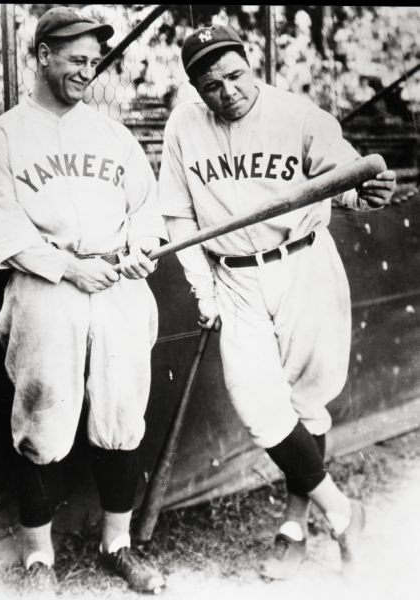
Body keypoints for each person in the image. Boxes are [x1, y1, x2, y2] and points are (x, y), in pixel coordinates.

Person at [158, 24, 396, 581]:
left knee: (308, 403)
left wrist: (365, 194)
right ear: (196, 88)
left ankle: (295, 526)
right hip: (235, 277)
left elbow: (346, 175)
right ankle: (342, 513)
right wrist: (204, 290)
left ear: (252, 62)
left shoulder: (298, 115)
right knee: (259, 407)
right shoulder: (183, 127)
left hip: (304, 263)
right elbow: (178, 217)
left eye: (236, 75)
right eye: (212, 84)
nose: (228, 91)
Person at [0, 7, 167, 597]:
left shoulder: (114, 135)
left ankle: (118, 545)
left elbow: (147, 209)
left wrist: (141, 249)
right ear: (42, 56)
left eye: (94, 61)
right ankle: (37, 558)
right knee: (43, 412)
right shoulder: (2, 136)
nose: (87, 71)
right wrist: (65, 267)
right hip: (45, 281)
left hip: (115, 281)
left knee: (122, 410)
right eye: (76, 60)